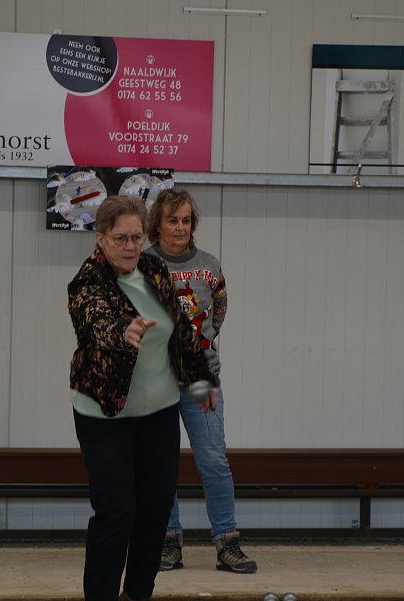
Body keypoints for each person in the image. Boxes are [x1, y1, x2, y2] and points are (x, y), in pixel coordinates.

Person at [68, 195, 219, 601]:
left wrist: (201, 380)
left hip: (159, 413)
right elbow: (95, 320)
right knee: (117, 511)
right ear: (101, 238)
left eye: (136, 237)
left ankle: (137, 594)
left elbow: (182, 331)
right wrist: (124, 331)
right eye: (121, 238)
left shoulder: (153, 269)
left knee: (155, 512)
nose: (131, 246)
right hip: (105, 415)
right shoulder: (87, 281)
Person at [145, 189, 258, 574]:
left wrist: (198, 350)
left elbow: (218, 311)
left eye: (186, 220)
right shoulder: (143, 264)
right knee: (160, 465)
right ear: (157, 224)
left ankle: (227, 542)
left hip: (199, 380)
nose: (180, 227)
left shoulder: (209, 265)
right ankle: (168, 541)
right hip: (155, 382)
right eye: (172, 220)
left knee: (213, 460)